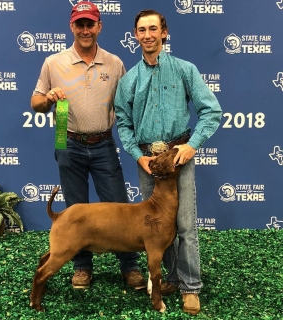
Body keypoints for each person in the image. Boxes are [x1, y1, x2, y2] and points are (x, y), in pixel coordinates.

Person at [31, 2, 145, 291]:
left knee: (120, 208)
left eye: (90, 24)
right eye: (79, 24)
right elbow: (36, 104)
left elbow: (128, 104)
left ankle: (129, 266)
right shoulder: (53, 62)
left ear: (99, 27)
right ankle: (82, 267)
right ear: (72, 26)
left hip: (104, 141)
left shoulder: (115, 62)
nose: (85, 30)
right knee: (75, 209)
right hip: (66, 137)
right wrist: (49, 100)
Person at [114, 9, 222, 316]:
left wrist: (192, 144)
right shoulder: (129, 80)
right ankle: (170, 278)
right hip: (148, 161)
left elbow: (212, 111)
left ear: (164, 32)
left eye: (153, 29)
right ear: (135, 36)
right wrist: (138, 156)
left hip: (178, 159)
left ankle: (190, 286)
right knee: (158, 226)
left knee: (185, 223)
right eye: (141, 30)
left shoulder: (186, 70)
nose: (147, 35)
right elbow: (122, 123)